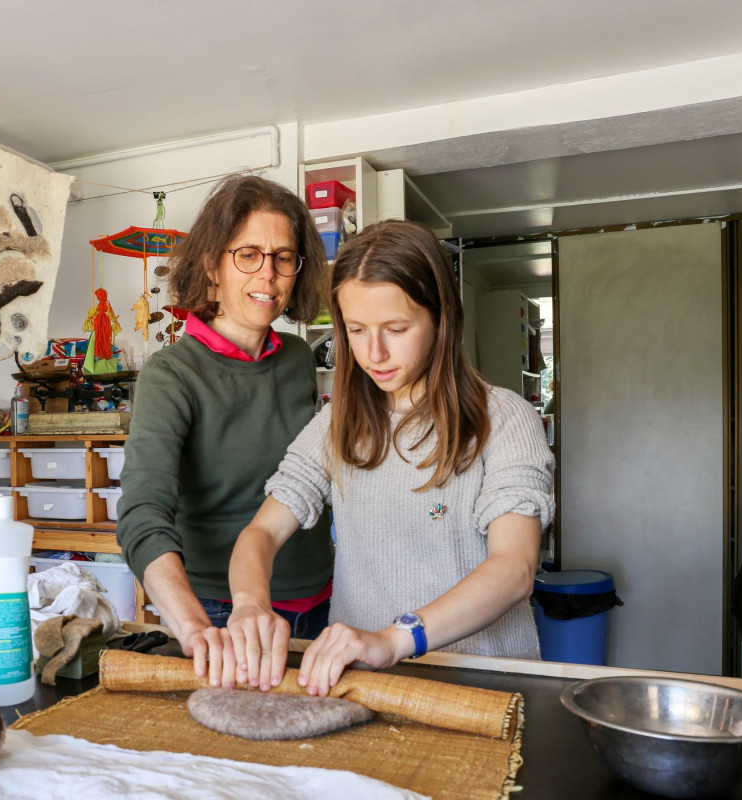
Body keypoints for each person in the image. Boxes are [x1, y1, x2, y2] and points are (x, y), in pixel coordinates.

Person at [224, 219, 555, 695]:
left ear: (442, 318)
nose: (374, 352)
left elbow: (514, 569)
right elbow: (261, 532)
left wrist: (394, 639)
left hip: (484, 686)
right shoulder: (338, 424)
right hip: (364, 687)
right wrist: (251, 602)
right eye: (356, 330)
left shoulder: (503, 418)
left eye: (396, 328)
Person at [116, 174, 335, 687]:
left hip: (321, 598)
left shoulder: (299, 358)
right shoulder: (172, 375)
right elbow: (142, 515)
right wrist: (193, 627)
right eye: (249, 254)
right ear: (212, 264)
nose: (269, 273)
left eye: (284, 257)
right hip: (220, 613)